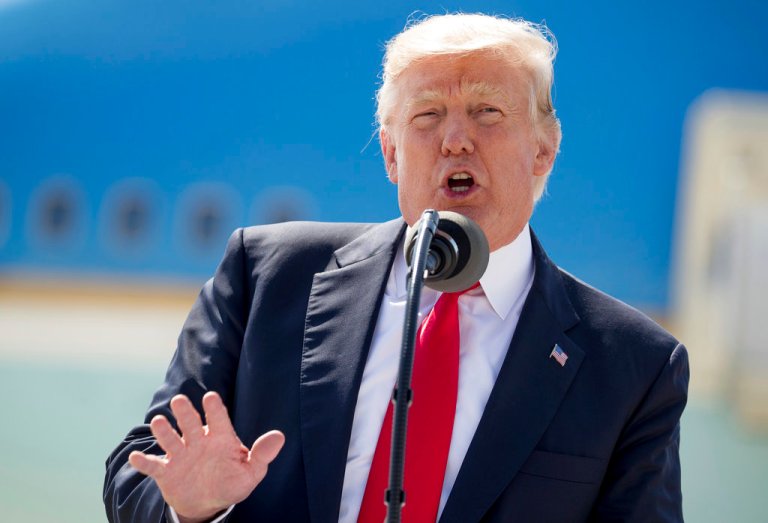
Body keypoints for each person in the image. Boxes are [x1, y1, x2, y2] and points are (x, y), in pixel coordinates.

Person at [104, 13, 689, 523]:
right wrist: (191, 510)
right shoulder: (265, 276)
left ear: (543, 149)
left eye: (487, 111)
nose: (455, 140)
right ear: (390, 153)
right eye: (427, 115)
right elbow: (140, 471)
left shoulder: (634, 365)